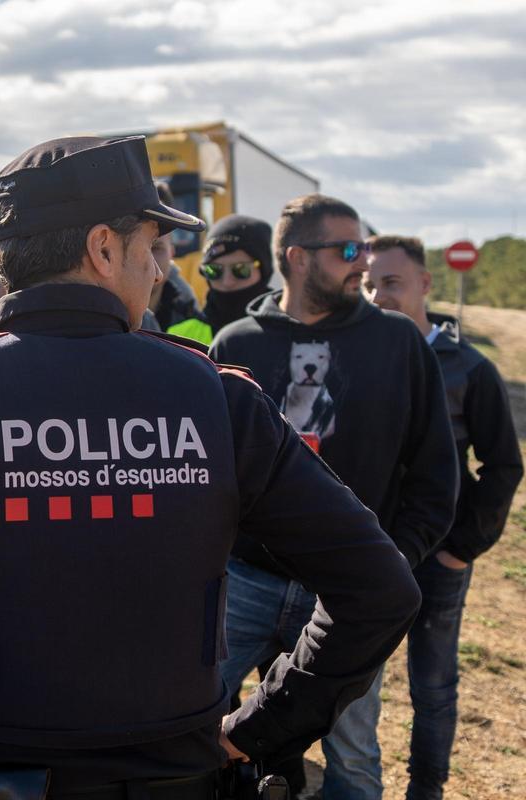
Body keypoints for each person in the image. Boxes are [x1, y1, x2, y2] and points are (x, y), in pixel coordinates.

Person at [0, 136, 424, 798]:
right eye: (151, 247)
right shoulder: (217, 399)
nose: (157, 271)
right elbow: (378, 588)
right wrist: (256, 729)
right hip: (174, 775)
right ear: (103, 248)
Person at [209, 195, 459, 799]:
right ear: (297, 258)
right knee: (193, 727)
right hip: (246, 580)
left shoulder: (398, 342)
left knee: (353, 754)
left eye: (366, 249)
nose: (363, 263)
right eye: (349, 250)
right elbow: (207, 473)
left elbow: (434, 473)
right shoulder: (237, 343)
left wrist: (387, 561)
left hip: (348, 589)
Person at [365, 235, 523, 800]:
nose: (377, 294)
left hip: (439, 559)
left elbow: (503, 465)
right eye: (368, 283)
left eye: (391, 282)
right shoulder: (362, 354)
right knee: (356, 684)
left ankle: (425, 789)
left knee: (432, 684)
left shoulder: (469, 368)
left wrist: (463, 547)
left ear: (426, 285)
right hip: (370, 552)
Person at [168, 215, 273, 345]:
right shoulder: (179, 336)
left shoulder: (288, 331)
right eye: (214, 271)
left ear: (264, 270)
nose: (227, 281)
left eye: (240, 270)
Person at [147, 183, 200, 332]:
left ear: (172, 251)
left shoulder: (188, 310)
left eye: (155, 248)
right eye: (138, 247)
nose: (149, 261)